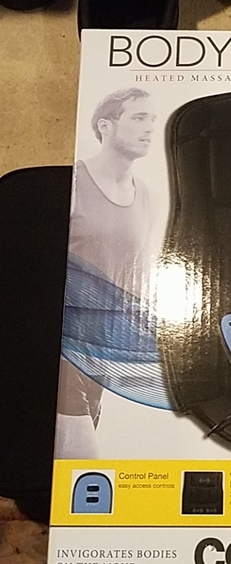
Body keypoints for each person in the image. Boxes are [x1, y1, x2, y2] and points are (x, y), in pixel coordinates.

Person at [54, 87, 159, 459]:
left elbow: (138, 283)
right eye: (139, 117)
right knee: (85, 465)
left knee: (68, 472)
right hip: (63, 354)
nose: (150, 127)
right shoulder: (73, 184)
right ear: (105, 126)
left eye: (152, 119)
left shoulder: (146, 196)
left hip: (101, 361)